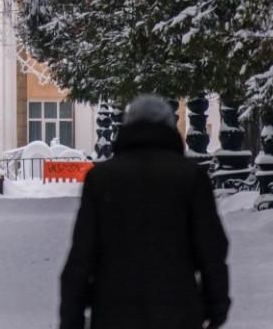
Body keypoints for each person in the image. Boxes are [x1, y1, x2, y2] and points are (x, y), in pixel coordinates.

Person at [60, 95, 230, 329]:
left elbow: (82, 253)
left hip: (114, 310)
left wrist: (72, 316)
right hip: (177, 307)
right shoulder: (190, 176)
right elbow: (211, 246)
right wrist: (216, 304)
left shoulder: (102, 178)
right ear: (169, 127)